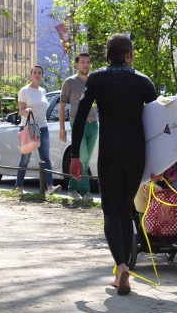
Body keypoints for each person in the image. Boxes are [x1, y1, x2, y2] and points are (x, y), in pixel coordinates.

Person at [70, 34, 158, 295]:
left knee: (110, 211)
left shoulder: (97, 78)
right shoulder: (143, 81)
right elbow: (159, 124)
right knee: (125, 210)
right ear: (129, 54)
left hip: (110, 154)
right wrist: (160, 163)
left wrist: (76, 155)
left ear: (107, 55)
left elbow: (80, 117)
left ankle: (121, 267)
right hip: (136, 155)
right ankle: (124, 269)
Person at [15, 65, 62, 195]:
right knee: (25, 158)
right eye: (35, 72)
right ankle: (19, 187)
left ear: (42, 75)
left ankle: (50, 188)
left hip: (43, 127)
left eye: (39, 72)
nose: (37, 74)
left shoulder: (43, 90)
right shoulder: (24, 90)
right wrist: (26, 111)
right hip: (28, 127)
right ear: (31, 75)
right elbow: (20, 111)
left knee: (46, 158)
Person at [59, 53, 98, 200]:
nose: (85, 65)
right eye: (82, 62)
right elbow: (62, 107)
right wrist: (62, 128)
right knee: (83, 157)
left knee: (85, 159)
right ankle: (86, 192)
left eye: (88, 62)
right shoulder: (70, 82)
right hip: (77, 123)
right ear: (76, 64)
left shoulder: (93, 81)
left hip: (94, 124)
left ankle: (73, 188)